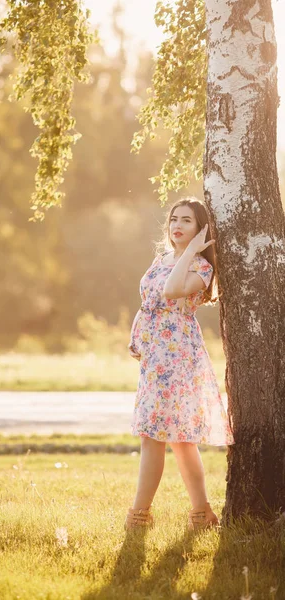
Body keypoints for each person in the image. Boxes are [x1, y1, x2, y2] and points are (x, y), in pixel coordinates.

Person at [125, 196, 235, 532]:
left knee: (162, 436)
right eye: (174, 219)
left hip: (178, 356)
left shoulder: (201, 267)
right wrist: (137, 335)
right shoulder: (161, 259)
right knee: (172, 438)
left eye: (187, 221)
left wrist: (191, 251)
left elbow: (172, 291)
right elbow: (149, 299)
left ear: (201, 230)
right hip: (156, 355)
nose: (177, 226)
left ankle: (139, 516)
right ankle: (202, 514)